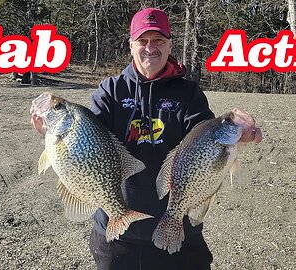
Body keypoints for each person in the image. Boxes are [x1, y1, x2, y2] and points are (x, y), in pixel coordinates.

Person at [88, 7, 261, 270]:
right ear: (131, 45)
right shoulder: (110, 91)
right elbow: (88, 137)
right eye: (143, 40)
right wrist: (53, 129)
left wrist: (239, 137)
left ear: (170, 45)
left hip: (180, 232)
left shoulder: (189, 93)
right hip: (118, 234)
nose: (150, 48)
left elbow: (206, 138)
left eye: (158, 40)